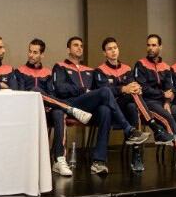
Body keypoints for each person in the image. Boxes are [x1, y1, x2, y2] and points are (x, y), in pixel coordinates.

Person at [52, 36, 149, 175]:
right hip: (71, 105)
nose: (79, 47)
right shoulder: (60, 66)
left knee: (105, 110)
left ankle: (98, 162)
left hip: (87, 108)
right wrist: (83, 90)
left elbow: (94, 94)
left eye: (81, 45)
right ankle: (128, 129)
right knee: (104, 91)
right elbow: (60, 89)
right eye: (75, 45)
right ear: (68, 49)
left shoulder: (89, 70)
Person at [93, 37, 176, 173]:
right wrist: (125, 89)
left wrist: (136, 88)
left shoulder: (127, 68)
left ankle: (136, 156)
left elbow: (134, 84)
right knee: (132, 96)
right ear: (104, 53)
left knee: (133, 106)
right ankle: (156, 129)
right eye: (109, 49)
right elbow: (105, 93)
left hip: (126, 107)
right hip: (110, 108)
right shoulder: (99, 71)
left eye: (115, 48)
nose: (113, 51)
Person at [15, 38, 92, 177]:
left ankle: (59, 160)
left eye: (35, 52)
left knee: (58, 113)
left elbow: (52, 94)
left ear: (42, 55)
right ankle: (70, 109)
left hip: (47, 110)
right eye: (30, 51)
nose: (31, 55)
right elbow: (20, 95)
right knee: (35, 89)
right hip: (28, 112)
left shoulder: (48, 72)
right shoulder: (19, 71)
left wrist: (48, 105)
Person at [133, 34, 176, 169]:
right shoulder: (140, 64)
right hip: (148, 103)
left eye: (154, 45)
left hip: (163, 102)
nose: (151, 48)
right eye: (149, 45)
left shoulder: (166, 67)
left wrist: (167, 101)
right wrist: (162, 94)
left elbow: (171, 89)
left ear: (160, 47)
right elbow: (143, 89)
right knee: (168, 118)